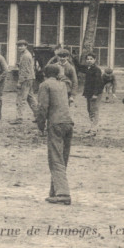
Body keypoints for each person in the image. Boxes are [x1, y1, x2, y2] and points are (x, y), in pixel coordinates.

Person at [36, 64, 74, 205]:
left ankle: (63, 193)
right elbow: (70, 83)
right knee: (62, 158)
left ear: (45, 74)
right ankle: (54, 191)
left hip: (55, 123)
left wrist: (40, 125)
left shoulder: (45, 85)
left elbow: (42, 107)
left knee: (55, 159)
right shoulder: (63, 84)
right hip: (68, 123)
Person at [11, 40, 38, 125]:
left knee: (21, 98)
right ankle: (39, 116)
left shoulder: (26, 56)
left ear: (26, 46)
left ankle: (19, 118)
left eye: (22, 46)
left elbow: (25, 71)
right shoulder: (25, 54)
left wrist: (20, 82)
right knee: (30, 98)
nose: (20, 47)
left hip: (25, 79)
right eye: (18, 46)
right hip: (29, 78)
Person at [81, 53, 104, 136]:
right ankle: (92, 126)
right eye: (87, 59)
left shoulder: (97, 70)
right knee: (89, 110)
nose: (89, 61)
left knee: (94, 110)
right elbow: (79, 67)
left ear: (95, 60)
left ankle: (94, 128)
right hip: (89, 93)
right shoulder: (88, 68)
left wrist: (95, 94)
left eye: (91, 59)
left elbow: (99, 83)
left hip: (95, 93)